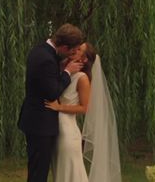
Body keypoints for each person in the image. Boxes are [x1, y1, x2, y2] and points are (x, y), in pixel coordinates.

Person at [45, 42, 122, 182]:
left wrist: (59, 107)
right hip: (56, 129)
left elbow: (85, 107)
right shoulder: (64, 72)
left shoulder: (82, 78)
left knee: (70, 173)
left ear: (84, 59)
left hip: (67, 132)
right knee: (60, 173)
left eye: (79, 49)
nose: (75, 49)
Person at [18, 23, 84, 182]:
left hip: (36, 121)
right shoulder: (47, 59)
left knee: (37, 169)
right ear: (63, 46)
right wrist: (68, 72)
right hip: (40, 124)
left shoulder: (40, 50)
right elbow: (52, 92)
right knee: (39, 172)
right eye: (72, 50)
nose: (74, 54)